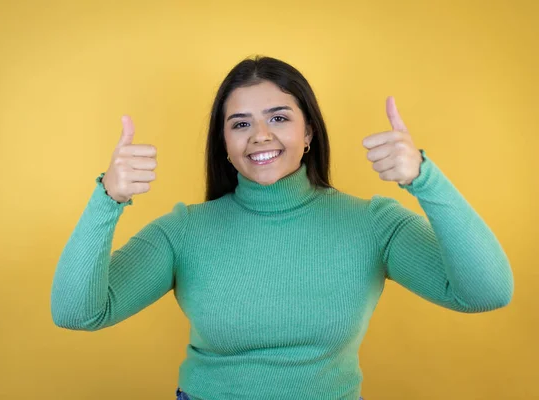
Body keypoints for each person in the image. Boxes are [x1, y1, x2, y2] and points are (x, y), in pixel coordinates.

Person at [50, 56, 514, 400]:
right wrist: (108, 198)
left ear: (308, 133)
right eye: (240, 123)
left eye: (278, 117)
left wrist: (423, 179)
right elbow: (78, 313)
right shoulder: (183, 232)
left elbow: (486, 292)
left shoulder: (373, 225)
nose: (260, 136)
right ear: (225, 143)